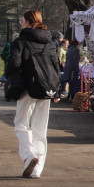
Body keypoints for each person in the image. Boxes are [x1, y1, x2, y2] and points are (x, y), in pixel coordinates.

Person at [6, 10, 61, 178]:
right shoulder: (50, 42)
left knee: (21, 124)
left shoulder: (20, 42)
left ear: (29, 22)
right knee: (40, 128)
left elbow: (14, 64)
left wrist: (10, 78)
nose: (21, 23)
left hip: (27, 89)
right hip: (46, 88)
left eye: (23, 21)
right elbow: (56, 66)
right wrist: (57, 90)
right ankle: (36, 170)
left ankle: (29, 155)